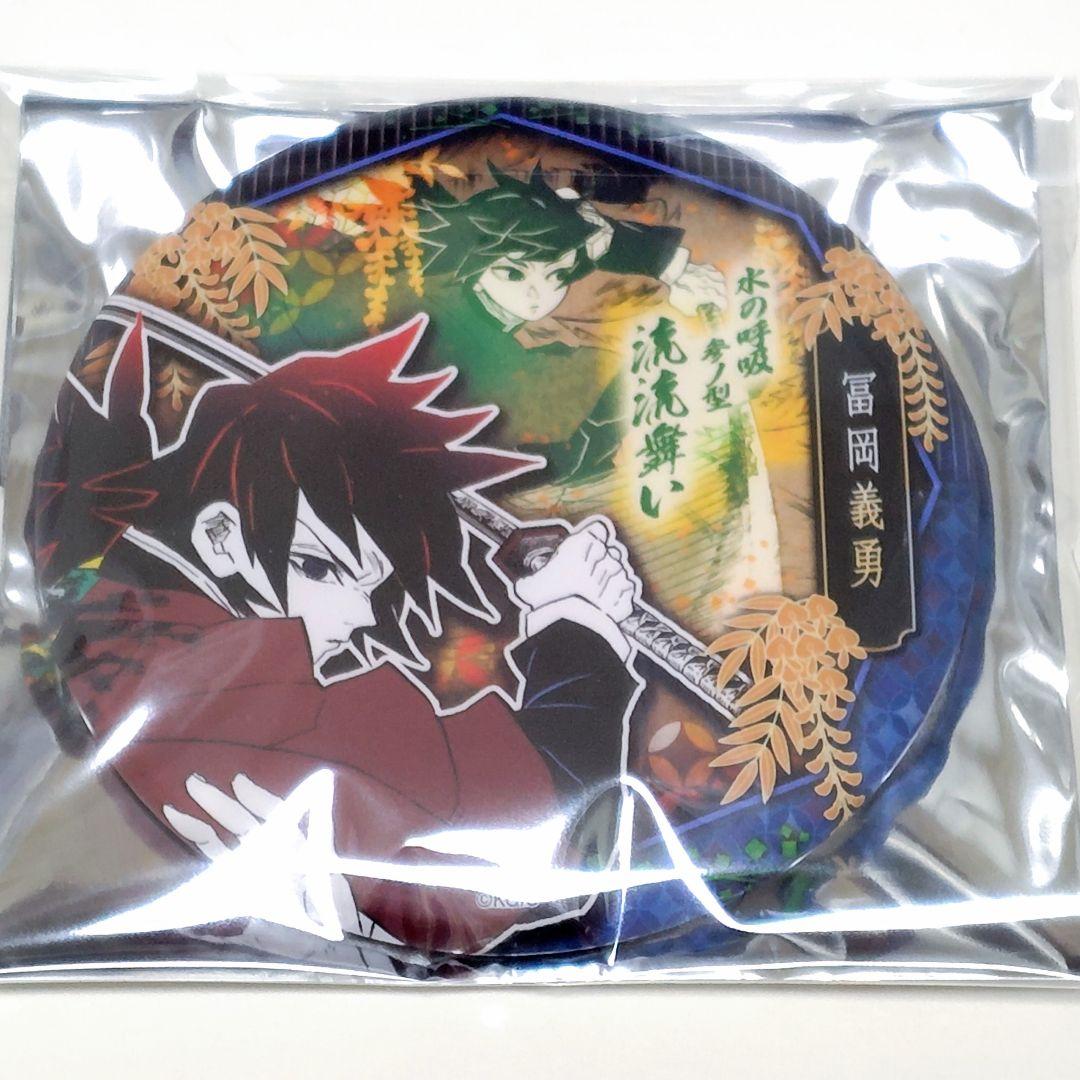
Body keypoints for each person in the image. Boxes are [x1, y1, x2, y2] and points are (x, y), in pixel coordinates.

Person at [34, 313, 645, 956]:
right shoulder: (254, 702)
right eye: (321, 568)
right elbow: (510, 864)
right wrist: (578, 628)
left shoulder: (121, 625)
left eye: (372, 585)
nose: (357, 617)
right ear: (219, 537)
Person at [381, 167, 727, 483]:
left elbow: (585, 243)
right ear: (476, 270)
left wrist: (667, 261)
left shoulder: (487, 300)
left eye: (558, 276)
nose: (538, 295)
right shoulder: (450, 311)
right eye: (512, 274)